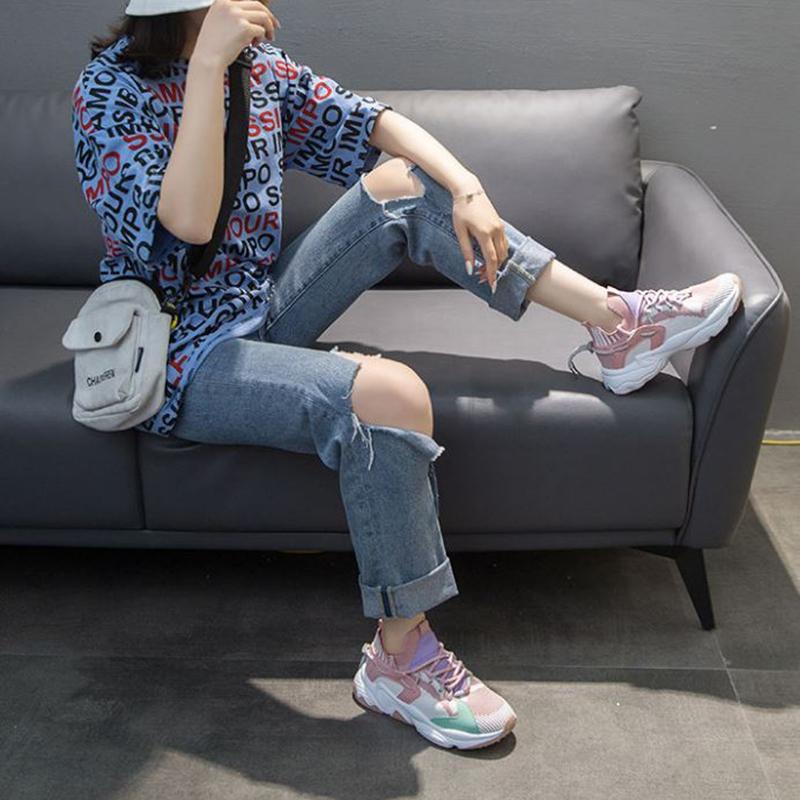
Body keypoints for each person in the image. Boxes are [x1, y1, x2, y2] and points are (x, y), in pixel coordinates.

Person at [71, 0, 743, 750]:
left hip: (259, 307)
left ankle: (616, 324)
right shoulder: (109, 91)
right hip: (178, 357)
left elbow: (372, 123)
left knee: (402, 185)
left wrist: (466, 186)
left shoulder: (256, 70)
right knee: (391, 396)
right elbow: (188, 222)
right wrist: (205, 68)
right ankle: (398, 662)